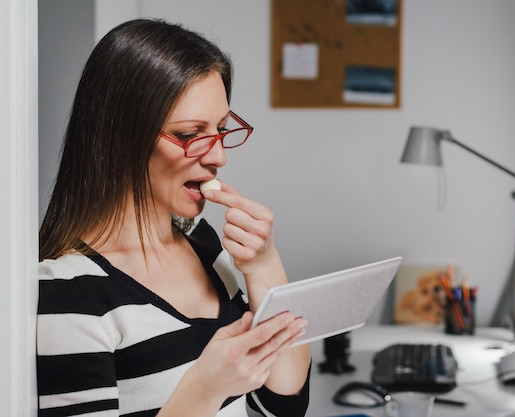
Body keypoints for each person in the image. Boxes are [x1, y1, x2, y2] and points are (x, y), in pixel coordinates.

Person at [37, 18, 311, 417]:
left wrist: (265, 267)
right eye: (188, 135)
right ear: (120, 139)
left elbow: (282, 406)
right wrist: (204, 389)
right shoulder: (70, 291)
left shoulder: (204, 244)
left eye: (220, 130)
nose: (219, 156)